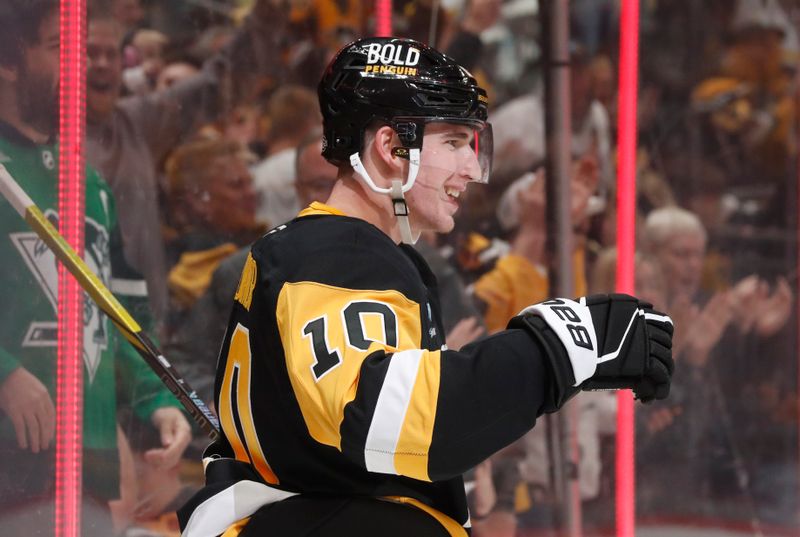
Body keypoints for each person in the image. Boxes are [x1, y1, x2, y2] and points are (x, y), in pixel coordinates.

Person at [178, 37, 674, 537]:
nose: (470, 169)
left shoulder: (346, 251)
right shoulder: (336, 254)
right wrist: (558, 348)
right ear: (391, 148)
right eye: (454, 142)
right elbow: (384, 418)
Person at [0, 1, 190, 535]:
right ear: (8, 62)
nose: (79, 68)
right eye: (61, 50)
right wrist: (5, 372)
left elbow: (119, 312)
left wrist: (155, 400)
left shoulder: (89, 185)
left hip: (87, 463)